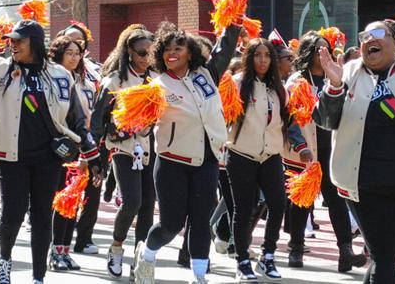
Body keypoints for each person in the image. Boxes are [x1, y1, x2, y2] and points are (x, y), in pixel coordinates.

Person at [0, 19, 98, 284]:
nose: (13, 45)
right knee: (13, 212)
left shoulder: (60, 75)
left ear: (35, 43)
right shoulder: (0, 70)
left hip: (49, 158)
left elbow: (75, 118)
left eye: (19, 40)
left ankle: (38, 276)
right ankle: (5, 261)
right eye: (11, 40)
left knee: (42, 215)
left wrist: (91, 151)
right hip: (11, 156)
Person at [316, 20, 395, 284]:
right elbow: (326, 121)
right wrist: (335, 86)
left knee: (383, 258)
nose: (368, 40)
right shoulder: (347, 72)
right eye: (364, 36)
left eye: (377, 34)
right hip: (365, 183)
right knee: (386, 259)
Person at [133, 21, 240, 284]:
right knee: (172, 224)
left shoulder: (207, 73)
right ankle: (146, 254)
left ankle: (199, 277)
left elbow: (225, 48)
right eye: (167, 49)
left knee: (201, 221)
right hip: (172, 163)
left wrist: (234, 20)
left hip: (207, 160)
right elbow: (140, 123)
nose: (172, 52)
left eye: (178, 48)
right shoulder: (156, 86)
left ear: (190, 52)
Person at [283, 30, 365, 272]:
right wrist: (301, 146)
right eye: (319, 49)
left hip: (333, 149)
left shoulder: (336, 77)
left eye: (326, 48)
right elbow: (291, 119)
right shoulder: (298, 81)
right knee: (302, 202)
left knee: (337, 200)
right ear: (309, 52)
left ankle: (346, 252)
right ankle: (296, 248)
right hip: (306, 150)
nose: (324, 53)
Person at [227, 37, 304, 280]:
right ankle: (242, 261)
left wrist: (302, 147)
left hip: (271, 155)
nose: (263, 60)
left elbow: (290, 121)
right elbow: (222, 117)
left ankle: (267, 256)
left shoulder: (278, 88)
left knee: (279, 204)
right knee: (243, 209)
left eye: (267, 55)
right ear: (249, 58)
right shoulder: (236, 85)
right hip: (241, 155)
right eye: (258, 55)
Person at [89, 24, 156, 279]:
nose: (146, 59)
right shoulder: (114, 80)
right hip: (122, 146)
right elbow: (97, 120)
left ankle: (140, 261)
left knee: (148, 207)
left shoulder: (155, 80)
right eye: (141, 53)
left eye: (151, 53)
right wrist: (93, 157)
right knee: (132, 201)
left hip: (151, 147)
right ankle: (116, 247)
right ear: (129, 51)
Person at [49, 35, 101, 270]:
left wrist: (89, 153)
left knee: (74, 202)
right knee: (62, 201)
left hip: (82, 149)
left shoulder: (86, 82)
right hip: (60, 150)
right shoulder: (52, 78)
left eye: (77, 53)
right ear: (58, 54)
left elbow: (89, 119)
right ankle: (55, 250)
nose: (74, 56)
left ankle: (66, 251)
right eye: (69, 52)